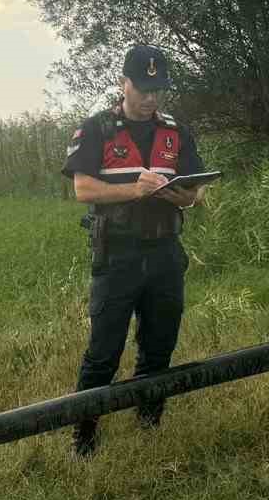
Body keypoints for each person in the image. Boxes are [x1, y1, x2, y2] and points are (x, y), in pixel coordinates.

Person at [60, 44, 208, 456]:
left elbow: (195, 189)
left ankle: (149, 423)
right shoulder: (97, 128)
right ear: (123, 83)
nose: (150, 97)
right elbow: (82, 189)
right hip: (117, 255)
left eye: (157, 90)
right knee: (103, 353)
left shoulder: (176, 132)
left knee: (159, 345)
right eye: (143, 88)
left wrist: (186, 196)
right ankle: (84, 437)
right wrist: (134, 189)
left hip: (165, 252)